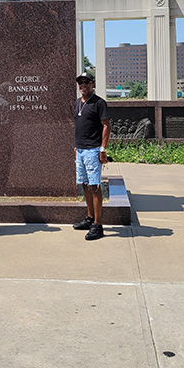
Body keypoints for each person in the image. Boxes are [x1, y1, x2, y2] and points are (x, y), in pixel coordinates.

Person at [73, 72, 111, 241]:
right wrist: (76, 147)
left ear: (92, 84)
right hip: (80, 150)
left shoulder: (99, 103)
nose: (83, 85)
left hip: (93, 150)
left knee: (95, 186)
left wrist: (102, 149)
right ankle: (89, 218)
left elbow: (106, 126)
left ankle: (98, 224)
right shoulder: (77, 103)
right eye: (81, 83)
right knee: (85, 185)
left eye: (86, 82)